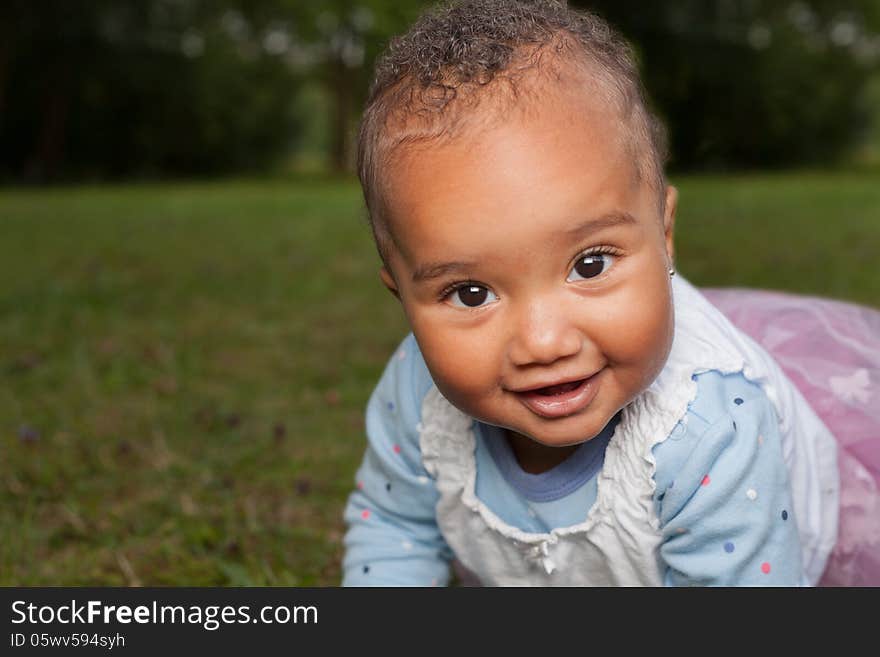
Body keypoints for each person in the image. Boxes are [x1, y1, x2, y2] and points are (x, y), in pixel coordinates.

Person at [341, 0, 880, 586]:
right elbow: (394, 527)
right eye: (471, 294)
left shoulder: (707, 426)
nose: (543, 341)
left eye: (590, 264)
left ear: (664, 233)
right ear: (402, 295)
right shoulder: (416, 392)